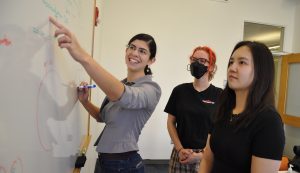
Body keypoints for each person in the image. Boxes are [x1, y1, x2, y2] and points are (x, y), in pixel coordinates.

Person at [49, 17, 161, 173]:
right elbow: (103, 117)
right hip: (106, 162)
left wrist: (84, 57)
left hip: (125, 164)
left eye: (142, 51)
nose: (134, 53)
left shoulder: (151, 89)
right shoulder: (122, 84)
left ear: (151, 60)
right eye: (132, 47)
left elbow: (126, 97)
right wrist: (85, 102)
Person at [199, 41, 285, 173]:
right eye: (231, 62)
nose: (232, 68)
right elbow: (207, 160)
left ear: (260, 71)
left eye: (242, 62)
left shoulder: (268, 121)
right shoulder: (223, 110)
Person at [164, 46, 222, 173]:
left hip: (206, 156)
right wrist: (180, 149)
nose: (196, 63)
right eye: (194, 59)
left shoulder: (220, 95)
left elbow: (221, 130)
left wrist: (200, 156)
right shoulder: (179, 91)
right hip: (181, 154)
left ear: (211, 67)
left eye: (202, 60)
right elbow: (170, 122)